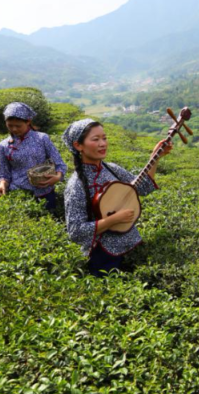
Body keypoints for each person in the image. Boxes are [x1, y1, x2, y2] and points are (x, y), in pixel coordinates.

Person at [62, 118, 171, 277]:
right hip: (104, 257)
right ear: (78, 146)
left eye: (104, 138)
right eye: (95, 139)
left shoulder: (111, 168)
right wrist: (113, 220)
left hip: (132, 244)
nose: (102, 143)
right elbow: (75, 231)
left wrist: (156, 156)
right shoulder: (76, 185)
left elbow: (142, 187)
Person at [0, 102, 67, 211]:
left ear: (28, 122)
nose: (14, 129)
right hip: (19, 193)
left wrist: (57, 177)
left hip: (45, 192)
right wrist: (2, 185)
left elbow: (59, 163)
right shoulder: (4, 145)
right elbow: (3, 172)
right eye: (10, 125)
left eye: (18, 126)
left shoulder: (42, 139)